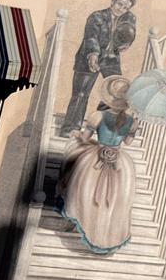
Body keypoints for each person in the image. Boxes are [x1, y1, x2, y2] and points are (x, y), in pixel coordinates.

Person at [58, 75, 138, 254]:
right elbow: (128, 142)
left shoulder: (98, 116)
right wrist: (133, 128)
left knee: (85, 190)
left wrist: (76, 134)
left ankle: (80, 223)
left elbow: (85, 138)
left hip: (96, 158)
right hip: (119, 161)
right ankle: (104, 234)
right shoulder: (131, 121)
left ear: (109, 97)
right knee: (114, 200)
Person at [60, 0, 137, 134]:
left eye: (126, 7)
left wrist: (127, 43)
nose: (121, 9)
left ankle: (103, 127)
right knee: (81, 94)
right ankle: (70, 128)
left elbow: (129, 34)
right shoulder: (97, 16)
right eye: (120, 4)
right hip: (88, 56)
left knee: (116, 93)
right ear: (113, 0)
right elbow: (91, 37)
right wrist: (93, 55)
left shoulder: (128, 18)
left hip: (111, 59)